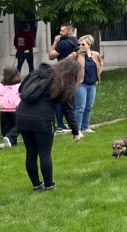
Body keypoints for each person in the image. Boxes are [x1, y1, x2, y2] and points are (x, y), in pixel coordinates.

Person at [16, 61, 83, 191]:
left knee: (31, 152)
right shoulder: (61, 82)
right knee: (44, 152)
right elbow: (68, 110)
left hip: (22, 115)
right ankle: (49, 185)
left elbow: (21, 89)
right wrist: (76, 131)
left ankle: (36, 185)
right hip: (43, 119)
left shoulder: (36, 74)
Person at [48, 23, 78, 132]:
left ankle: (60, 124)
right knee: (71, 97)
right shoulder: (78, 42)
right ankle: (72, 122)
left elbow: (51, 56)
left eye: (62, 31)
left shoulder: (63, 43)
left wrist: (55, 42)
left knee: (59, 97)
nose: (60, 33)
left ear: (69, 31)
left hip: (62, 72)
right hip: (74, 71)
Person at [72, 35, 103, 134]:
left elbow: (100, 63)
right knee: (80, 107)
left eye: (83, 44)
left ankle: (85, 127)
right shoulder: (76, 55)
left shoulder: (95, 54)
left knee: (89, 106)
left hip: (92, 84)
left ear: (89, 45)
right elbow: (67, 63)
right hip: (80, 84)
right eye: (79, 44)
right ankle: (77, 129)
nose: (81, 46)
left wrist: (98, 74)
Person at [0, 67, 22, 148]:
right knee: (18, 126)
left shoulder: (0, 86)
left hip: (4, 109)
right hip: (14, 109)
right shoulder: (19, 86)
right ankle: (10, 139)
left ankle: (10, 139)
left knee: (6, 127)